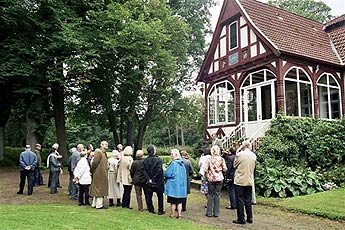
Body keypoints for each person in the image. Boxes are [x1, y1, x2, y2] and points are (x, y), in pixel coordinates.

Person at [232, 140, 257, 225]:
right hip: (249, 180)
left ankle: (241, 218)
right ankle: (250, 217)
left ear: (243, 146)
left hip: (240, 180)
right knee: (248, 200)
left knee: (240, 199)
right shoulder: (253, 156)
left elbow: (234, 165)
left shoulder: (240, 155)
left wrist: (238, 151)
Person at [204, 145, 227, 218]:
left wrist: (207, 174)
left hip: (211, 178)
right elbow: (225, 169)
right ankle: (216, 213)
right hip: (219, 178)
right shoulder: (222, 159)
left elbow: (205, 169)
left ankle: (209, 212)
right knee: (217, 195)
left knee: (210, 195)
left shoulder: (209, 159)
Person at [164, 149, 187, 219]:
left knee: (173, 202)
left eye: (172, 154)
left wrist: (164, 172)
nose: (171, 155)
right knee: (179, 202)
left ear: (175, 154)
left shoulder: (173, 163)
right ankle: (179, 215)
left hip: (173, 186)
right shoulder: (182, 164)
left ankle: (172, 214)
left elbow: (168, 174)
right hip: (180, 186)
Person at [143, 145, 165, 215]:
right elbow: (159, 170)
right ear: (153, 151)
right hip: (158, 181)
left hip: (150, 181)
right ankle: (160, 210)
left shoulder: (145, 160)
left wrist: (149, 179)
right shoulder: (158, 160)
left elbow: (144, 171)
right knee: (160, 196)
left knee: (149, 196)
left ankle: (151, 209)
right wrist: (153, 179)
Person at [90, 141, 109, 209]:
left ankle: (94, 204)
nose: (106, 146)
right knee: (99, 188)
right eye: (105, 144)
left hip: (102, 173)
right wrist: (92, 170)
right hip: (99, 173)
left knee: (99, 187)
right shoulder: (99, 152)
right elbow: (95, 163)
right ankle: (99, 205)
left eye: (107, 144)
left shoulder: (104, 153)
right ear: (101, 145)